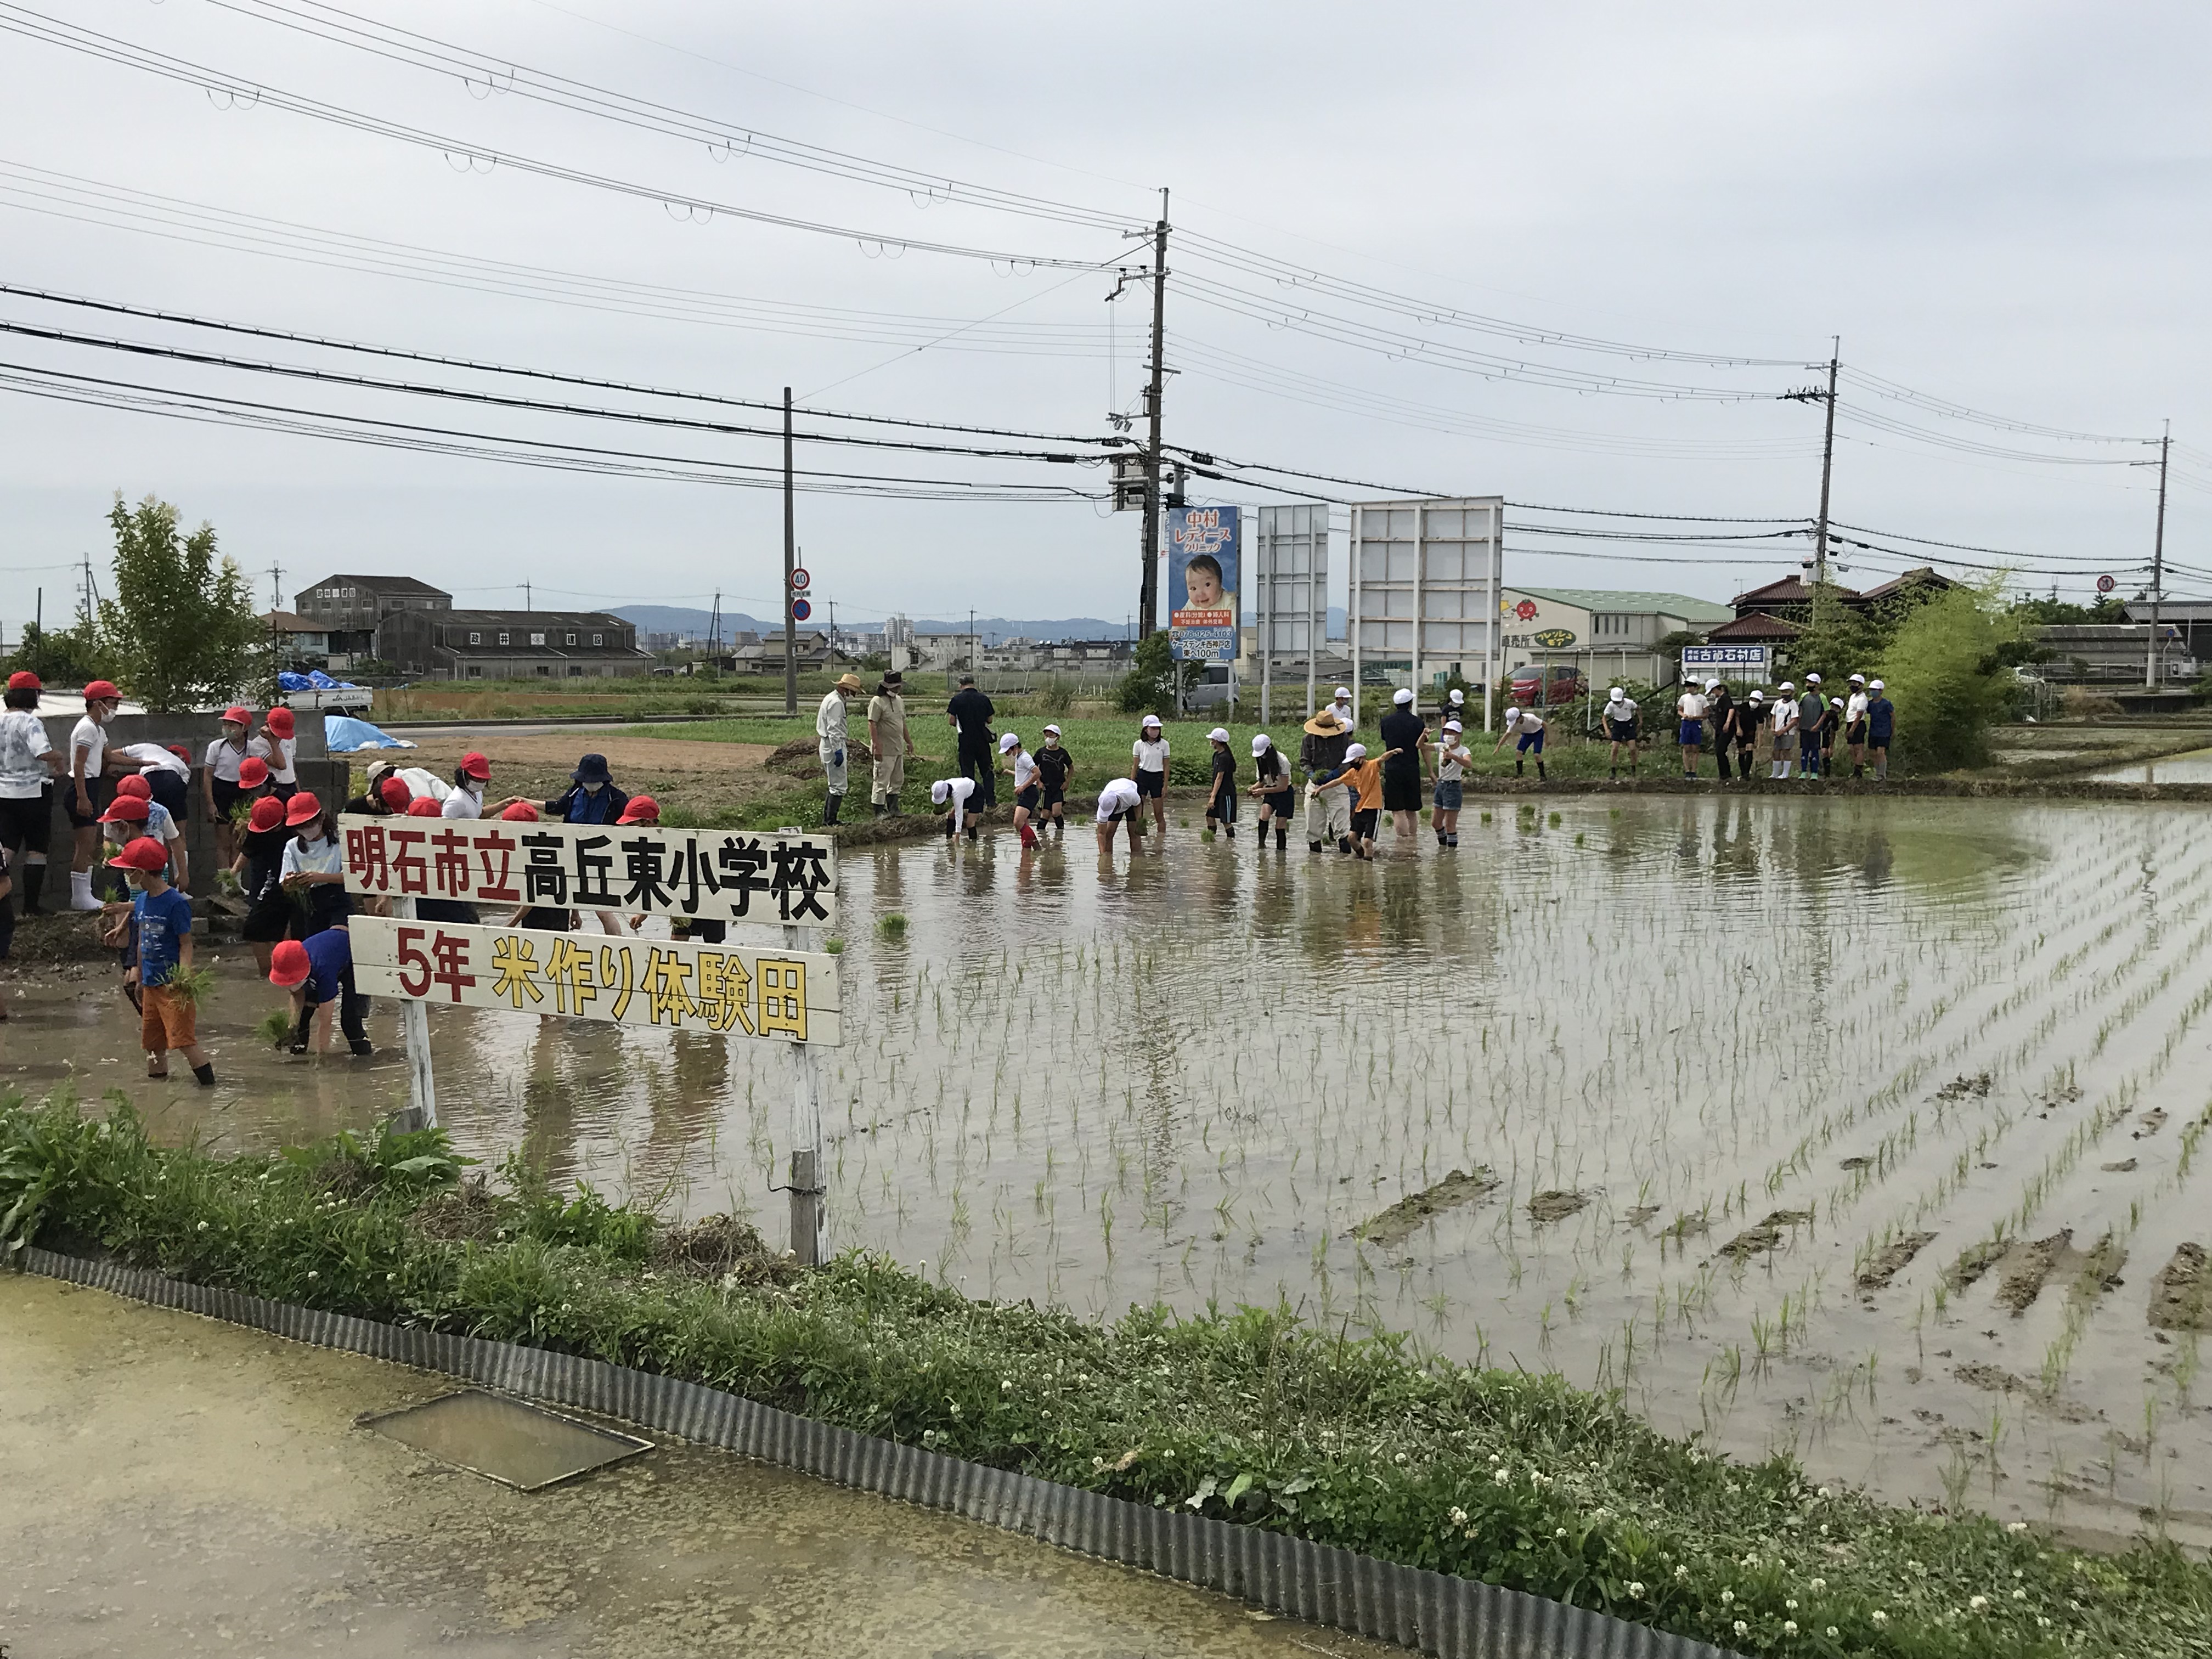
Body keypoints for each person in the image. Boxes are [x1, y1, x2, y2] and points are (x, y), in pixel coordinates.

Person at [111, 835, 215, 1085]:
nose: (126, 876)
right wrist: (139, 979)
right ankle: (157, 1091)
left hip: (171, 985)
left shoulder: (176, 904)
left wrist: (183, 977)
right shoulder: (142, 901)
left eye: (128, 871)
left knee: (184, 1041)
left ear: (140, 872)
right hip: (149, 984)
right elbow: (141, 943)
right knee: (153, 1043)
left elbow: (186, 944)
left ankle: (209, 1088)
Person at [0, 670, 63, 924]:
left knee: (6, 848)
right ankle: (31, 905)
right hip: (33, 792)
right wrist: (59, 756)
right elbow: (42, 753)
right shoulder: (30, 722)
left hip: (3, 792)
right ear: (31, 695)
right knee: (37, 849)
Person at [268, 931, 372, 1057]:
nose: (289, 985)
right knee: (301, 1021)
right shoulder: (291, 962)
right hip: (326, 958)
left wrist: (321, 1059)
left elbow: (326, 1022)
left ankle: (365, 1059)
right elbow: (297, 994)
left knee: (350, 1022)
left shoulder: (323, 970)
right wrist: (292, 1027)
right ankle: (298, 1057)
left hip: (354, 960)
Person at [67, 679, 122, 911]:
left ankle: (84, 894)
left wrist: (144, 761)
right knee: (85, 844)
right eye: (112, 702)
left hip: (91, 785)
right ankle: (80, 897)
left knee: (90, 843)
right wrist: (83, 797)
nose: (115, 708)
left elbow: (109, 756)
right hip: (83, 787)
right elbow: (79, 765)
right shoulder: (88, 728)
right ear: (98, 703)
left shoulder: (98, 729)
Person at [234, 794, 293, 974]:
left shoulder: (293, 830)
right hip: (272, 878)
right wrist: (233, 872)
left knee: (278, 928)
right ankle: (269, 973)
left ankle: (282, 971)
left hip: (293, 880)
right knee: (257, 928)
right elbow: (248, 851)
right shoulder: (258, 830)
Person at [1312, 741, 1399, 860]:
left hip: (1373, 807)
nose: (1352, 764)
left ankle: (1368, 867)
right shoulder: (1353, 772)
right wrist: (1321, 788)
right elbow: (1338, 781)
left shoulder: (1372, 766)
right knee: (1351, 838)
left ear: (1362, 758)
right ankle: (1362, 858)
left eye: (1353, 761)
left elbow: (1382, 758)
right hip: (1361, 808)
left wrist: (1393, 752)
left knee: (1368, 841)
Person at [279, 791, 349, 937]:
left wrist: (320, 878)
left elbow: (351, 876)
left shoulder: (340, 841)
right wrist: (291, 882)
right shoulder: (292, 846)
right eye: (300, 826)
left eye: (309, 824)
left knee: (335, 939)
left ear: (322, 818)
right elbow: (284, 882)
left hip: (336, 898)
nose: (306, 829)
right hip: (307, 903)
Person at [202, 705, 258, 871]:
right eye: (225, 725)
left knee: (239, 842)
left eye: (232, 725)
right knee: (223, 842)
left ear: (244, 728)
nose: (227, 729)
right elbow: (207, 775)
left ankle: (236, 882)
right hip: (222, 792)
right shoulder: (216, 747)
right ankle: (225, 885)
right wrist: (211, 803)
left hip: (243, 793)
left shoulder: (252, 748)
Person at [100, 791, 188, 891]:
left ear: (124, 826)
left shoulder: (146, 852)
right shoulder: (144, 846)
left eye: (114, 826)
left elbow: (152, 898)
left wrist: (125, 907)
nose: (112, 830)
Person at [1378, 687, 1427, 843]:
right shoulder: (1418, 723)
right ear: (1410, 704)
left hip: (1393, 768)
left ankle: (1402, 843)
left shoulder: (1386, 722)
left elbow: (1386, 740)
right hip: (1412, 767)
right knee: (1412, 810)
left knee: (1397, 810)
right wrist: (1432, 772)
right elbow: (1423, 747)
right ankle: (1413, 842)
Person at [1299, 707, 1352, 854]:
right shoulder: (1308, 739)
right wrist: (1311, 774)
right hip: (1315, 787)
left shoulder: (1343, 739)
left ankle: (1344, 864)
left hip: (1337, 785)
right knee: (1313, 828)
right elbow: (1304, 762)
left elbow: (1348, 761)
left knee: (1343, 827)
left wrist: (1337, 772)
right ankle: (1315, 863)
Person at [107, 740, 193, 822]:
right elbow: (181, 791)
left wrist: (107, 767)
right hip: (171, 780)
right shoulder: (184, 768)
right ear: (183, 758)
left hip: (149, 778)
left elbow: (109, 755)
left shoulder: (150, 747)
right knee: (177, 828)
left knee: (144, 823)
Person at [816, 671, 862, 826]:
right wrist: (838, 751)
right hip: (833, 744)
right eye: (853, 692)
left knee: (835, 784)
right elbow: (834, 729)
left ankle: (829, 820)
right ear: (846, 689)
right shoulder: (836, 703)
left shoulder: (831, 698)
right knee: (838, 786)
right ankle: (830, 821)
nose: (853, 696)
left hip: (829, 743)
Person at [946, 674, 997, 810]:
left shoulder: (957, 700)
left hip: (966, 742)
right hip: (982, 741)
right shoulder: (984, 699)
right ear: (973, 684)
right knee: (987, 771)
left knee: (968, 774)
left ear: (961, 685)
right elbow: (990, 720)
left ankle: (970, 802)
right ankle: (991, 802)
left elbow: (951, 720)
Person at [867, 671, 914, 816]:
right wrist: (876, 745)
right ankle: (879, 813)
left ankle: (894, 809)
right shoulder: (877, 701)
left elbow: (902, 723)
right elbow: (872, 724)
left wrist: (909, 742)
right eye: (895, 687)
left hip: (897, 747)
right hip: (884, 749)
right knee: (881, 781)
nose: (897, 689)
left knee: (897, 780)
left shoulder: (899, 701)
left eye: (898, 687)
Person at [544, 753, 627, 825]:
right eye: (586, 780)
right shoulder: (574, 792)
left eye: (595, 780)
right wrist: (531, 803)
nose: (590, 783)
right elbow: (558, 807)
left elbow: (629, 817)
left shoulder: (616, 798)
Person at [1246, 734, 1295, 850]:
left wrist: (1262, 791)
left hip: (1285, 794)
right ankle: (1261, 846)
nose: (1262, 757)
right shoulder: (1260, 762)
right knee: (1264, 816)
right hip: (1269, 791)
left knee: (1280, 825)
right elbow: (1262, 781)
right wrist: (1253, 788)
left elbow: (1283, 787)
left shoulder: (1283, 761)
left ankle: (1281, 854)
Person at [1430, 720, 1472, 847]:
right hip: (1441, 785)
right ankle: (1443, 847)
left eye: (1452, 733)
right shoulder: (1442, 746)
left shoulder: (1463, 750)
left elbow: (1469, 764)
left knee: (1450, 825)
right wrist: (1424, 735)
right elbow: (1420, 745)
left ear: (1459, 735)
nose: (1448, 735)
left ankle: (1451, 854)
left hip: (1453, 787)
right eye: (1446, 733)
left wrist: (1453, 757)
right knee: (1436, 823)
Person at [1130, 714, 1170, 837]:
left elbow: (1167, 766)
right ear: (1146, 729)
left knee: (1159, 812)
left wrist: (1165, 785)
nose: (1156, 731)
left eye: (1157, 728)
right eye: (1153, 728)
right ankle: (1140, 835)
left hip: (1157, 777)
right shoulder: (1139, 744)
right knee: (1139, 809)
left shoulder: (1164, 744)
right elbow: (1135, 765)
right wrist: (1132, 782)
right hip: (1143, 777)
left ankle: (1161, 839)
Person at [1000, 731, 1041, 849]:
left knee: (1018, 822)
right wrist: (1009, 772)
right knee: (1024, 825)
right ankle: (1026, 853)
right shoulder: (1019, 757)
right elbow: (1024, 776)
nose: (1007, 754)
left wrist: (1023, 787)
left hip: (1028, 793)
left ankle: (1037, 848)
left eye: (1008, 751)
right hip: (1025, 793)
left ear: (1015, 747)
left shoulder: (1024, 757)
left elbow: (1037, 773)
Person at [1034, 724, 1073, 833]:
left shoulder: (1062, 753)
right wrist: (1038, 782)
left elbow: (1071, 767)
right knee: (1045, 815)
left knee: (1056, 812)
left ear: (1057, 737)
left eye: (1051, 736)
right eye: (1047, 736)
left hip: (1059, 786)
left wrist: (1067, 782)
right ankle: (1041, 836)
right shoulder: (1041, 752)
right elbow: (1033, 768)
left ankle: (1060, 836)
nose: (1048, 738)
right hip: (1045, 788)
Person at [1201, 726, 1237, 840]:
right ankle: (1212, 839)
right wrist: (1213, 793)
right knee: (1210, 817)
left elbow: (1219, 778)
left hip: (1226, 793)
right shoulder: (1217, 755)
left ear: (1217, 741)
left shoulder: (1225, 757)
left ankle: (1231, 843)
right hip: (1218, 793)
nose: (1211, 742)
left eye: (1212, 740)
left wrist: (1213, 796)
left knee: (1226, 821)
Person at [1093, 775, 1142, 855]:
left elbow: (1138, 805)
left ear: (1117, 805)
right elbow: (1101, 834)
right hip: (1115, 791)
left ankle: (1136, 858)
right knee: (1109, 833)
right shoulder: (1104, 804)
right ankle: (1109, 857)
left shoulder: (1130, 795)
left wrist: (1139, 821)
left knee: (1134, 831)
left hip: (1132, 803)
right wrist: (1103, 856)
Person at [1496, 703, 1546, 780]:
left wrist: (1547, 738)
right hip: (1527, 735)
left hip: (1538, 733)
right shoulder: (1514, 725)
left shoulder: (1530, 718)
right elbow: (1507, 735)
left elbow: (1544, 724)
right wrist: (1498, 747)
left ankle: (1543, 776)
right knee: (1518, 752)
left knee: (1537, 755)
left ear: (1519, 717)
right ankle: (1520, 774)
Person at [1723, 691, 1764, 783]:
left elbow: (1760, 727)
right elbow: (1737, 717)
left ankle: (1746, 774)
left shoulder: (1759, 711)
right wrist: (1738, 728)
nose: (1754, 702)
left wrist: (1759, 741)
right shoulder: (1743, 707)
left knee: (1749, 748)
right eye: (1753, 699)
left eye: (1757, 700)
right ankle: (1743, 772)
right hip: (1741, 730)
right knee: (1742, 751)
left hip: (1751, 731)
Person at [259, 706, 300, 799]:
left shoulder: (291, 740)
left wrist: (298, 790)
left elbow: (291, 767)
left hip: (291, 785)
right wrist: (271, 739)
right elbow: (281, 765)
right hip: (275, 788)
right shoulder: (258, 744)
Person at [1601, 686, 1640, 780]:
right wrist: (1607, 729)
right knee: (1615, 748)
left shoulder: (1629, 703)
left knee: (1632, 749)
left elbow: (1638, 708)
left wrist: (1640, 721)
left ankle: (1633, 769)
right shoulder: (1611, 705)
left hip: (1628, 724)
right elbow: (1604, 718)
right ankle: (1613, 770)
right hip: (1618, 725)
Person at [444, 751, 493, 818]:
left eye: (483, 780)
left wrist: (505, 803)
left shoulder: (477, 793)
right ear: (464, 775)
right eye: (477, 779)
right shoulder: (455, 802)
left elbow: (479, 815)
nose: (480, 783)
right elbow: (445, 825)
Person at [930, 776, 978, 842]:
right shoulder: (943, 786)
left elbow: (959, 815)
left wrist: (957, 836)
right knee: (951, 816)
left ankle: (973, 844)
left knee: (970, 824)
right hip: (965, 792)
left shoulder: (957, 794)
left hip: (976, 793)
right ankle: (949, 838)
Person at [1675, 679, 1707, 780]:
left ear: (1696, 687)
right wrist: (1684, 715)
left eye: (1690, 686)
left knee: (1695, 747)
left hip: (1696, 723)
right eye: (1687, 686)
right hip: (1686, 723)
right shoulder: (1684, 698)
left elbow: (1706, 713)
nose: (1688, 688)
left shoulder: (1702, 699)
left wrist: (1696, 717)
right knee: (1686, 747)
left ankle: (1694, 771)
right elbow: (1679, 710)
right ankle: (1687, 771)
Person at [1797, 675, 1826, 781]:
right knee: (1804, 751)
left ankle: (1814, 773)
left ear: (1817, 684)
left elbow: (1825, 713)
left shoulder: (1822, 697)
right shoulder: (1804, 696)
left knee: (1815, 751)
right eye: (1808, 683)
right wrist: (1798, 723)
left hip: (1816, 729)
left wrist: (1817, 725)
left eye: (1811, 683)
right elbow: (1800, 710)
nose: (1808, 685)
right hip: (1804, 728)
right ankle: (1804, 772)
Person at [1769, 681, 1800, 780]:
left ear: (1791, 692)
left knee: (1786, 751)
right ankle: (1775, 773)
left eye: (1786, 691)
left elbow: (1795, 720)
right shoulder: (1777, 703)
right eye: (1783, 691)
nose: (1784, 694)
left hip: (1788, 733)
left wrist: (1784, 730)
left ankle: (1785, 773)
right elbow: (1774, 716)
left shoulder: (1793, 704)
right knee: (1776, 752)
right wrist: (1773, 728)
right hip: (1777, 732)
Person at [1866, 678, 1895, 781]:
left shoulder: (1886, 704)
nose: (1873, 692)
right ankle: (1877, 773)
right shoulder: (1870, 704)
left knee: (1880, 752)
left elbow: (1892, 717)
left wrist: (1892, 730)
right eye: (1871, 690)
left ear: (1881, 691)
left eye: (1875, 690)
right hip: (1873, 731)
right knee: (1872, 753)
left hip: (1884, 731)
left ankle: (1882, 775)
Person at [1843, 674, 1871, 778]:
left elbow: (1859, 715)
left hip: (1858, 724)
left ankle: (1859, 771)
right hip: (1850, 722)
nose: (1852, 686)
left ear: (1860, 685)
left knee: (1858, 748)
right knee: (1851, 748)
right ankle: (1856, 768)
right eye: (1851, 684)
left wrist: (1852, 729)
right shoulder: (1853, 697)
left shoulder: (1862, 699)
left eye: (1854, 684)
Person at [1816, 689, 1843, 776]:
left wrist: (1831, 746)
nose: (1834, 708)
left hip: (1824, 734)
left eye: (1836, 707)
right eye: (1833, 706)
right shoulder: (1825, 713)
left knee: (1824, 752)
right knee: (1819, 752)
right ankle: (1819, 772)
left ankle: (1825, 773)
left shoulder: (1834, 718)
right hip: (1819, 733)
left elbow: (1833, 732)